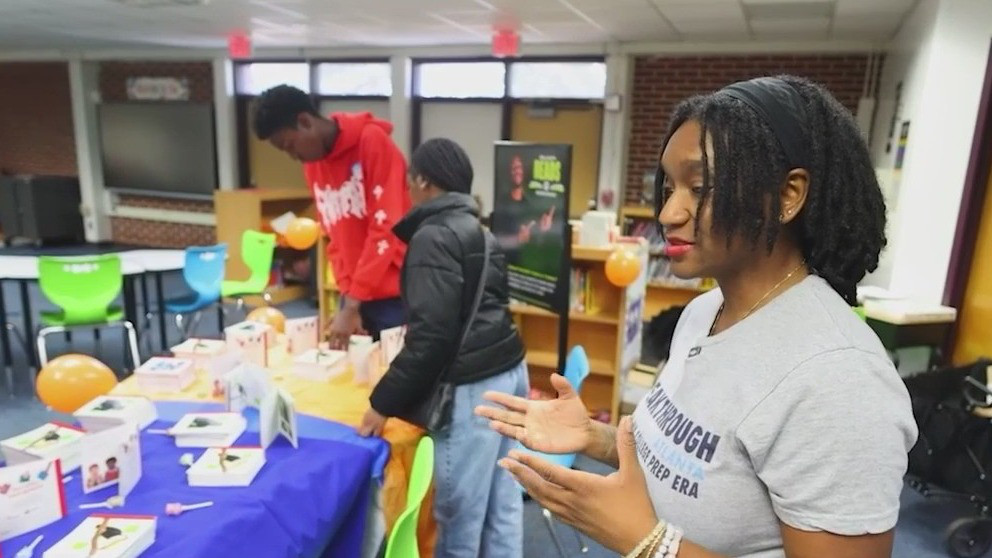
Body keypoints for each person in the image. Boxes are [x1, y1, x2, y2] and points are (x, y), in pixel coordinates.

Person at [477, 76, 918, 558]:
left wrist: (648, 544)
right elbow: (688, 466)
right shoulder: (705, 310)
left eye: (700, 187)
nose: (667, 212)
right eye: (667, 187)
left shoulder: (838, 381)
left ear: (789, 195)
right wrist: (597, 438)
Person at [358, 138, 528, 558]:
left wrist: (381, 402)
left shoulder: (433, 236)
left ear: (422, 181)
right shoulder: (479, 230)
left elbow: (431, 338)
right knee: (502, 508)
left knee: (460, 521)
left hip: (473, 389)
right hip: (510, 370)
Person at [253, 85, 410, 347]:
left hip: (393, 294)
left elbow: (386, 229)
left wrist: (351, 304)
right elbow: (333, 236)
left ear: (305, 121)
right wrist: (349, 299)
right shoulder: (313, 165)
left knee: (396, 378)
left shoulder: (372, 142)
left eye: (290, 145)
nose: (293, 157)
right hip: (353, 296)